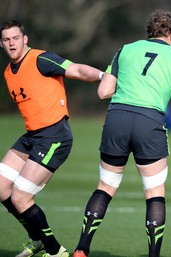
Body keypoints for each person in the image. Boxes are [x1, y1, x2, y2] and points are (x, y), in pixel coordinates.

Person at [72, 9, 171, 257]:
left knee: (105, 186)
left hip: (117, 119)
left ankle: (81, 248)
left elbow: (103, 92)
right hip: (149, 122)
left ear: (150, 32)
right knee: (154, 193)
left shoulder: (125, 49)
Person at [0, 20, 104, 257]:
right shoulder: (8, 72)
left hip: (54, 136)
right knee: (1, 187)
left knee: (21, 196)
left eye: (15, 38)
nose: (11, 43)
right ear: (2, 43)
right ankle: (36, 238)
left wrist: (102, 75)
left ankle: (55, 251)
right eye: (7, 39)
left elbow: (76, 69)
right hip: (32, 136)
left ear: (25, 39)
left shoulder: (40, 59)